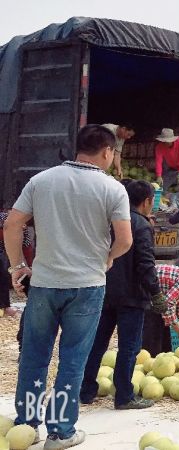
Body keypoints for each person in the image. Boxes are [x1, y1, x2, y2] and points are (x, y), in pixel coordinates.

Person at [3, 124, 132, 448]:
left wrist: (18, 265)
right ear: (107, 152)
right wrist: (107, 258)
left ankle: (27, 424)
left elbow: (12, 223)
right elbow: (125, 239)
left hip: (44, 284)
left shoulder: (42, 181)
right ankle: (60, 431)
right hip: (87, 287)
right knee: (73, 359)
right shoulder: (112, 189)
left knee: (34, 356)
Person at [80, 180, 163, 410]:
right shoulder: (141, 225)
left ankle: (86, 390)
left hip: (104, 291)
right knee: (129, 347)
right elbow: (146, 264)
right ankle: (124, 396)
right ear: (146, 201)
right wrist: (156, 293)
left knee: (97, 343)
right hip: (132, 296)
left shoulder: (109, 221)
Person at [0, 211, 33, 318]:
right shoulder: (5, 219)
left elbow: (27, 250)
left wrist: (23, 267)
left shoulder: (25, 233)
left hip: (6, 250)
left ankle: (5, 306)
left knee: (3, 273)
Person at [154, 128, 179, 206]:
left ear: (172, 139)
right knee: (161, 184)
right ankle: (159, 204)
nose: (165, 143)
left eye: (167, 141)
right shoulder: (159, 147)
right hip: (173, 167)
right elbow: (158, 162)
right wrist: (159, 176)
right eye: (164, 141)